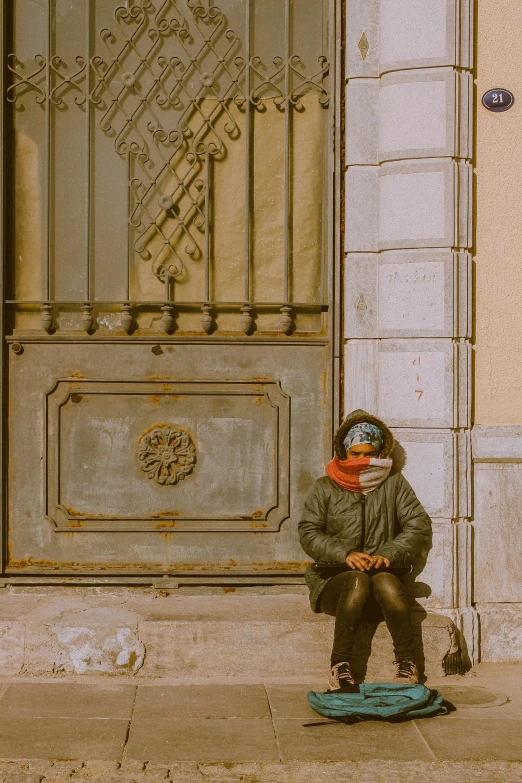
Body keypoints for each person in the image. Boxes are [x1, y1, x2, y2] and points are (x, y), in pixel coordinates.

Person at [298, 409, 432, 692]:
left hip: (383, 579)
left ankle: (407, 663)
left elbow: (418, 526)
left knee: (384, 581)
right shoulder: (325, 487)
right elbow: (309, 533)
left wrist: (390, 553)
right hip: (336, 583)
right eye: (355, 454)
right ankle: (340, 665)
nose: (361, 461)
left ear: (380, 452)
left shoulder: (394, 484)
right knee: (357, 580)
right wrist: (344, 554)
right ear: (343, 454)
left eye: (368, 453)